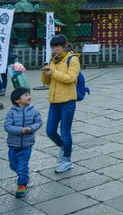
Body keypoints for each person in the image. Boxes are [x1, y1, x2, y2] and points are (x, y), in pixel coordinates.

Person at [41, 34, 80, 173]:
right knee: (50, 131)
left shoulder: (72, 59)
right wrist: (45, 73)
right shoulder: (53, 60)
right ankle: (65, 147)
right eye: (53, 47)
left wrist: (53, 73)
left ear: (65, 46)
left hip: (67, 101)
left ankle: (67, 160)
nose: (55, 50)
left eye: (57, 47)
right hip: (54, 102)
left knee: (65, 131)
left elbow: (71, 78)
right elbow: (46, 82)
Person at [4, 87, 43, 198]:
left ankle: (22, 185)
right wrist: (20, 130)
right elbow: (7, 126)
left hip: (26, 146)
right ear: (17, 100)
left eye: (29, 94)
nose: (29, 96)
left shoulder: (34, 110)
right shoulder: (11, 112)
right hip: (13, 145)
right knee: (13, 165)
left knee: (22, 167)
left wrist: (31, 128)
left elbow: (39, 122)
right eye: (25, 95)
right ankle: (22, 174)